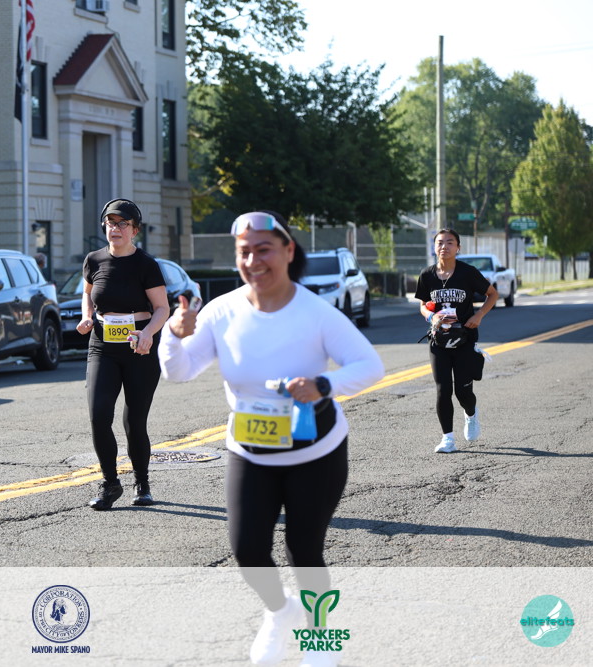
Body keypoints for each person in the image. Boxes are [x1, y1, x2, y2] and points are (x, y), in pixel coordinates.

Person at [158, 211, 383, 666]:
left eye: (263, 250)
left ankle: (320, 639)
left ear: (288, 251)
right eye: (244, 252)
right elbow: (178, 372)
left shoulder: (316, 312)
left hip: (316, 451)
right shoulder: (221, 311)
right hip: (251, 451)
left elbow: (370, 366)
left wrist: (323, 384)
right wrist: (173, 335)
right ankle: (281, 613)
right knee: (247, 550)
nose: (253, 261)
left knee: (305, 550)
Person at [75, 198, 170, 510]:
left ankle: (142, 483)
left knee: (134, 421)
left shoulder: (146, 265)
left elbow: (162, 308)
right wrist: (87, 316)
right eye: (110, 223)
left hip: (139, 346)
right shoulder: (94, 260)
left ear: (135, 230)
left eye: (123, 224)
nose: (115, 228)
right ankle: (110, 483)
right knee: (99, 415)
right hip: (102, 344)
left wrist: (148, 333)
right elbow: (88, 294)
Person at [415, 228, 498, 453]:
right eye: (440, 243)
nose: (444, 246)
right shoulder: (427, 275)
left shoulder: (467, 273)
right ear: (434, 248)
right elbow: (422, 304)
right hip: (438, 340)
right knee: (443, 389)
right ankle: (447, 439)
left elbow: (492, 294)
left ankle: (471, 414)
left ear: (458, 248)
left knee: (463, 392)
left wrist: (479, 315)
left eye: (450, 242)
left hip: (464, 339)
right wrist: (431, 316)